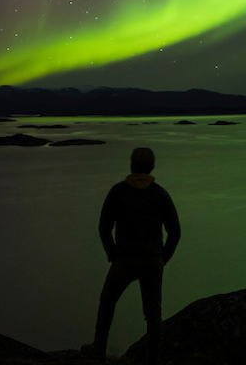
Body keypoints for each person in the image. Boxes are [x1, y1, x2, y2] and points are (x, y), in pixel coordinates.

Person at [83, 147, 181, 364]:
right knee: (153, 311)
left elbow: (104, 228)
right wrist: (163, 258)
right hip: (152, 259)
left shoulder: (118, 192)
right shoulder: (160, 194)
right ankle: (155, 355)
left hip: (124, 259)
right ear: (151, 167)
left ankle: (99, 346)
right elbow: (175, 232)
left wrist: (112, 254)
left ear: (132, 165)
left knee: (108, 300)